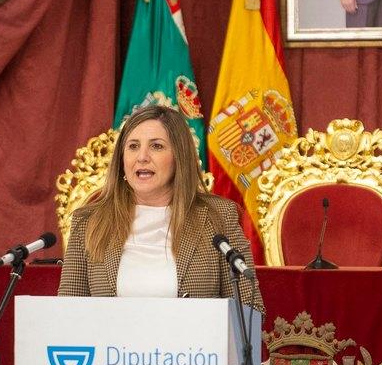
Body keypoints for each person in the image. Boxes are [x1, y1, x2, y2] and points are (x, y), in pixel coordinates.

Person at [58, 105, 263, 311]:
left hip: (192, 342)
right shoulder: (88, 222)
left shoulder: (218, 216)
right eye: (133, 146)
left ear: (179, 158)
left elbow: (251, 310)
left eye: (156, 146)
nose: (142, 157)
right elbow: (67, 313)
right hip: (109, 343)